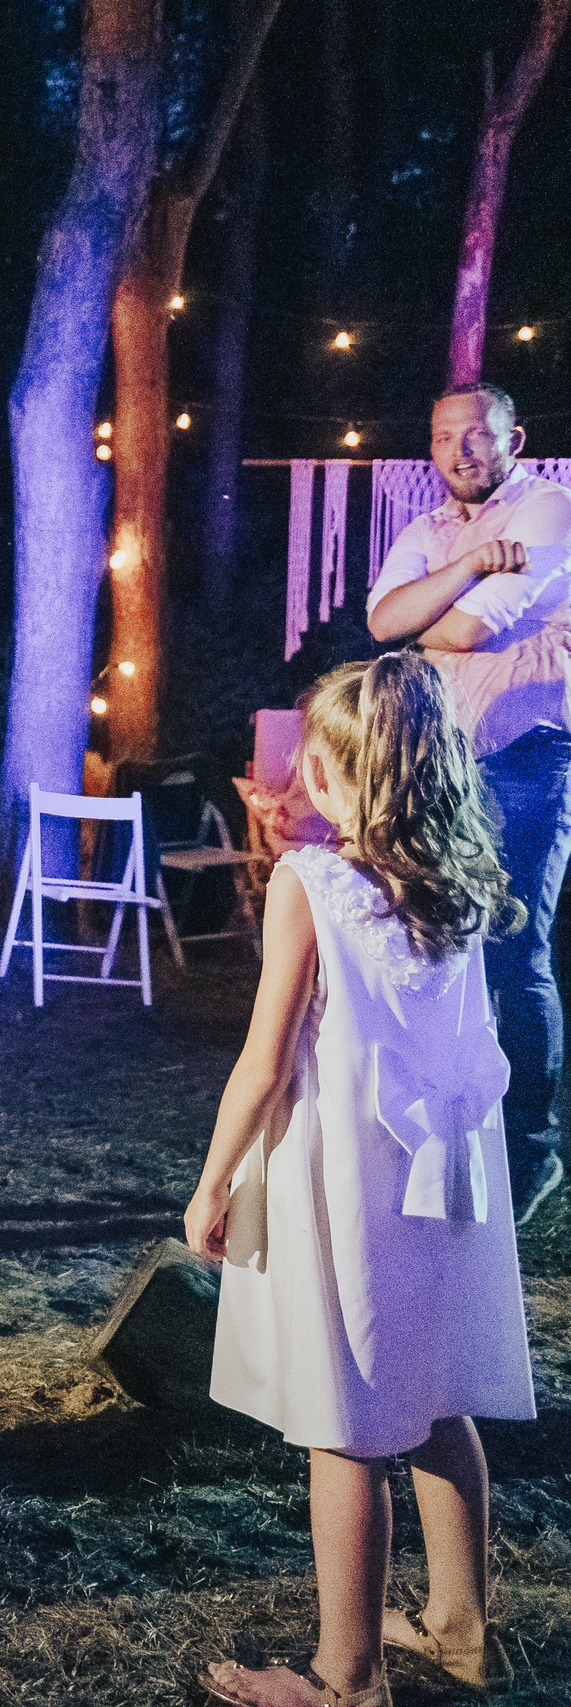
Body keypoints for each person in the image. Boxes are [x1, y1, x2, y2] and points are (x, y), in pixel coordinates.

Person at [190, 654, 535, 1707]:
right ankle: (458, 1627)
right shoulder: (460, 884)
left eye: (318, 763)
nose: (300, 779)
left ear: (359, 774)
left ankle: (348, 1678)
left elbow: (262, 1060)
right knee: (431, 1397)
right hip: (444, 1181)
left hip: (347, 1181)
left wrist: (210, 1187)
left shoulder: (312, 886)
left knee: (344, 1423)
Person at [366, 384, 571, 1227]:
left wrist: (437, 607)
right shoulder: (429, 532)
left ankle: (531, 1148)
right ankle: (459, 1135)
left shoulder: (551, 510)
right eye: (444, 437)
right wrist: (468, 568)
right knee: (440, 946)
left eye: (477, 437)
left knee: (514, 953)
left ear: (512, 439)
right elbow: (385, 622)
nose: (459, 452)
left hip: (530, 761)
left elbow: (465, 634)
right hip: (442, 766)